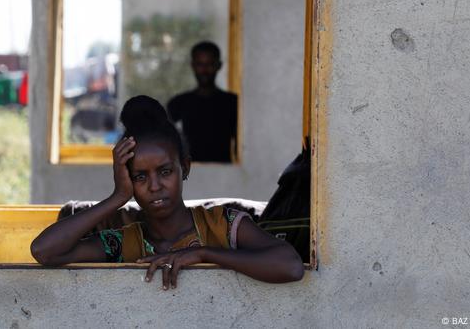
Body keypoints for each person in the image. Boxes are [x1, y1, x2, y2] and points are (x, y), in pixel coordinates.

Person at [30, 95, 304, 289]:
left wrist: (204, 254)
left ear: (184, 167)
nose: (155, 186)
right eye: (139, 176)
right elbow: (45, 251)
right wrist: (117, 197)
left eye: (165, 172)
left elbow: (290, 266)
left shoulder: (222, 225)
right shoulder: (125, 243)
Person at [167, 41, 237, 163]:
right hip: (189, 175)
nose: (204, 70)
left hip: (225, 174)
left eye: (210, 64)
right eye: (200, 64)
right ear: (193, 65)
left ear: (219, 65)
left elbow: (241, 145)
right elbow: (166, 142)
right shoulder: (178, 104)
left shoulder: (232, 103)